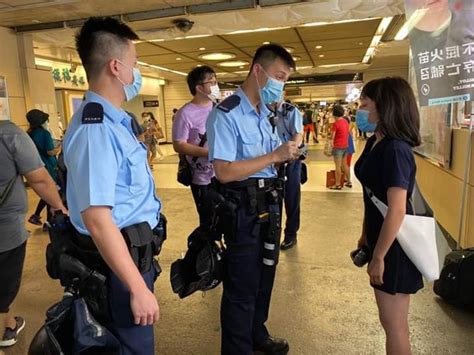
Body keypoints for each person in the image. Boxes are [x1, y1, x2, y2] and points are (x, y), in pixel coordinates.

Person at [63, 17, 162, 354]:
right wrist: (136, 287)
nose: (137, 74)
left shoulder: (114, 123)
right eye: (134, 65)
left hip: (130, 258)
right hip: (118, 267)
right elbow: (97, 219)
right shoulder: (98, 129)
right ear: (116, 67)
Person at [207, 44, 299, 355]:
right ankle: (238, 348)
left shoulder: (265, 114)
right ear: (257, 70)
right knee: (241, 286)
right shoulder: (226, 114)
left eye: (285, 80)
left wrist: (283, 156)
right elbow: (223, 171)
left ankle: (256, 332)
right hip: (243, 209)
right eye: (278, 77)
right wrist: (274, 155)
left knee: (265, 276)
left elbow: (267, 160)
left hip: (270, 204)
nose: (280, 85)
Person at [354, 77, 423, 355]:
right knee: (390, 321)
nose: (359, 109)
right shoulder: (376, 143)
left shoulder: (396, 149)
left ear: (384, 107)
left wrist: (379, 256)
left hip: (394, 247)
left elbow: (397, 208)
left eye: (364, 104)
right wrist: (365, 234)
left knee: (394, 325)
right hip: (380, 238)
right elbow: (373, 195)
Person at [0, 119, 66, 349]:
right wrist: (58, 205)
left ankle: (8, 324)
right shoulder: (8, 133)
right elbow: (38, 178)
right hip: (4, 232)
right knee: (2, 289)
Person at [172, 66, 218, 226]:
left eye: (215, 81)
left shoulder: (219, 108)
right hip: (202, 176)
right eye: (211, 82)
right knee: (208, 220)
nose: (215, 85)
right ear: (199, 88)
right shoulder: (185, 113)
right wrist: (208, 153)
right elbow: (179, 145)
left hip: (223, 172)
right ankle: (207, 249)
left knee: (226, 217)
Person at [274, 99, 303, 250]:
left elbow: (298, 135)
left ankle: (291, 234)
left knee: (291, 198)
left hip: (290, 161)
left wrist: (287, 155)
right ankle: (273, 233)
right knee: (272, 199)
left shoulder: (290, 111)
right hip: (269, 161)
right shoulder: (261, 110)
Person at [26, 109, 61, 230]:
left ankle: (44, 219)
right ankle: (47, 220)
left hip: (38, 167)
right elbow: (50, 152)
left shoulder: (29, 134)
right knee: (52, 194)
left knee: (47, 193)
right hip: (50, 167)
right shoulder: (44, 134)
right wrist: (59, 148)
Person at [329, 105, 351, 190]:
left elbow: (332, 137)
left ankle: (337, 184)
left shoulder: (336, 124)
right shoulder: (345, 121)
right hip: (345, 146)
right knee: (345, 164)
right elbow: (348, 132)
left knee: (337, 166)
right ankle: (349, 181)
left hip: (338, 147)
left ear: (334, 113)